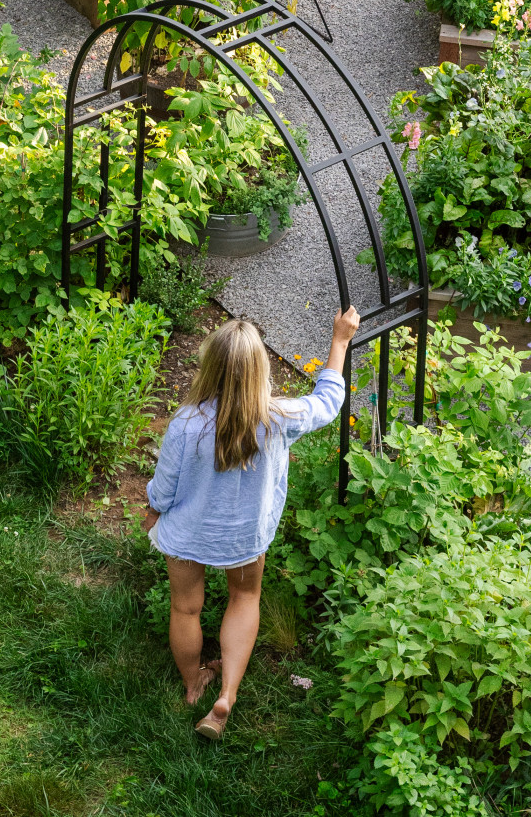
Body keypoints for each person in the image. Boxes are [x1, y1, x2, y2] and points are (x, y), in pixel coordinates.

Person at [142, 307, 360, 740]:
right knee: (244, 599)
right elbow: (328, 403)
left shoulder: (187, 423)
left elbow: (165, 485)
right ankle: (226, 694)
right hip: (244, 538)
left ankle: (192, 684)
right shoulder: (279, 418)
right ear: (260, 369)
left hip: (188, 535)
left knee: (185, 608)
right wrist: (340, 341)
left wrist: (153, 511)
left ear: (211, 367)